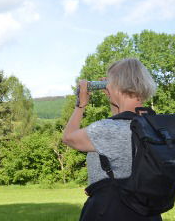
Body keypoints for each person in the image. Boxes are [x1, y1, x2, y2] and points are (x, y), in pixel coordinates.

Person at [62, 58, 162, 221]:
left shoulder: (107, 129)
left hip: (109, 211)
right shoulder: (152, 124)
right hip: (147, 212)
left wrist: (80, 104)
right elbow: (123, 116)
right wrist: (114, 96)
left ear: (119, 84)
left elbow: (68, 137)